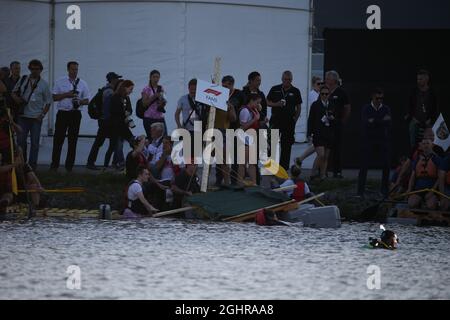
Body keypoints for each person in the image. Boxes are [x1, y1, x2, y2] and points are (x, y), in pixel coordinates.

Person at [11, 59, 51, 171]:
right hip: (23, 117)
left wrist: (42, 115)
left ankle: (32, 167)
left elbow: (48, 102)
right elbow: (13, 92)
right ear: (29, 68)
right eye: (32, 68)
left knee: (35, 144)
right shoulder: (23, 79)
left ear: (41, 70)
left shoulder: (44, 84)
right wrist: (17, 99)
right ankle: (22, 165)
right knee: (21, 142)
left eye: (37, 69)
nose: (34, 71)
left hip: (35, 119)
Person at [50, 61, 90, 172]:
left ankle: (69, 167)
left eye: (76, 69)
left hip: (75, 114)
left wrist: (80, 101)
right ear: (68, 69)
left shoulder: (82, 83)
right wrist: (66, 94)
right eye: (72, 69)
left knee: (73, 141)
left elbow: (87, 100)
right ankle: (54, 165)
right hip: (63, 113)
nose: (74, 71)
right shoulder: (60, 81)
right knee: (58, 140)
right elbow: (54, 97)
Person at [357, 88, 392, 197]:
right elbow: (366, 122)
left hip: (382, 140)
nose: (379, 100)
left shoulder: (386, 108)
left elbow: (388, 122)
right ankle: (360, 191)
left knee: (386, 165)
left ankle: (384, 190)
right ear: (372, 97)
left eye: (381, 98)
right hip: (369, 140)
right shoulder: (366, 108)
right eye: (377, 98)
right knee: (364, 165)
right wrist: (381, 120)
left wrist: (374, 121)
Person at [267, 71, 302, 172]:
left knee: (286, 146)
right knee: (272, 144)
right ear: (282, 79)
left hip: (289, 123)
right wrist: (276, 104)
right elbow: (267, 102)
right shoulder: (275, 89)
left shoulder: (295, 91)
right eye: (285, 79)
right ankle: (271, 167)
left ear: (292, 80)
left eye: (289, 79)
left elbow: (299, 107)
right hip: (275, 121)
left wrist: (295, 119)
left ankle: (283, 169)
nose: (287, 81)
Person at [86, 72, 122, 170]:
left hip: (105, 121)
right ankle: (92, 163)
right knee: (101, 142)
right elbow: (108, 107)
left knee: (105, 142)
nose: (118, 80)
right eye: (116, 78)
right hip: (106, 122)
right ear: (113, 80)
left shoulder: (107, 90)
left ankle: (95, 162)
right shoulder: (109, 91)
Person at [306, 85, 336, 181]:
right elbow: (310, 120)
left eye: (326, 94)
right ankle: (313, 173)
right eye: (322, 93)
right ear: (320, 94)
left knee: (326, 156)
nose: (324, 95)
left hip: (328, 133)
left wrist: (332, 119)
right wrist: (309, 133)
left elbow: (335, 118)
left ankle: (323, 175)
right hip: (318, 133)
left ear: (329, 94)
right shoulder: (315, 105)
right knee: (321, 154)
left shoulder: (331, 104)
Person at [325, 70, 351, 178]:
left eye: (328, 79)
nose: (326, 80)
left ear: (334, 80)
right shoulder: (325, 91)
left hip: (337, 124)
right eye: (326, 79)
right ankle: (323, 171)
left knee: (337, 148)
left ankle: (337, 171)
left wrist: (342, 120)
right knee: (325, 149)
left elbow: (347, 108)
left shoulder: (341, 92)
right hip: (325, 125)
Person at [104, 79, 135, 169]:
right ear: (125, 88)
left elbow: (129, 109)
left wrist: (127, 113)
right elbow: (113, 111)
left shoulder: (126, 98)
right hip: (115, 126)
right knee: (114, 146)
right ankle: (108, 165)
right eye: (130, 89)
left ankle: (119, 163)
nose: (131, 91)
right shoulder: (115, 97)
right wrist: (123, 113)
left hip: (123, 126)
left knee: (131, 141)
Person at [407, 69, 438, 149]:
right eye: (418, 79)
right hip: (416, 120)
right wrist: (412, 117)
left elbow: (435, 108)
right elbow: (410, 106)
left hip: (428, 121)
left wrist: (430, 119)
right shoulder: (414, 91)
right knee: (413, 142)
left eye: (420, 79)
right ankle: (414, 157)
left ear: (426, 79)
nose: (418, 81)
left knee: (430, 142)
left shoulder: (432, 92)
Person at [296, 76, 323, 168]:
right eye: (318, 84)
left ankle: (300, 158)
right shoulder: (312, 94)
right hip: (316, 122)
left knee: (317, 145)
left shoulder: (319, 94)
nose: (320, 85)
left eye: (321, 84)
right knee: (317, 145)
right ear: (313, 84)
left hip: (320, 122)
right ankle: (300, 159)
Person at [407, 138, 441, 210]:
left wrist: (432, 191)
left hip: (432, 190)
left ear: (432, 145)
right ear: (421, 146)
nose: (426, 145)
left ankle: (434, 204)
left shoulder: (437, 159)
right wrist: (409, 190)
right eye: (424, 144)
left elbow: (440, 178)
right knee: (411, 204)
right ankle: (420, 204)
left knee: (431, 206)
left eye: (428, 143)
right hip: (418, 190)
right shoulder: (417, 159)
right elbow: (412, 178)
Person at [238, 93, 261, 186]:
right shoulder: (245, 111)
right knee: (243, 163)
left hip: (252, 137)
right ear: (251, 101)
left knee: (252, 163)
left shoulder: (253, 110)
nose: (258, 105)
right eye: (257, 102)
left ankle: (254, 183)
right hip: (244, 138)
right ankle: (239, 183)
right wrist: (255, 119)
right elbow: (243, 127)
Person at [141, 70, 167, 138]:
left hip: (159, 117)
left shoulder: (160, 88)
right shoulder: (146, 89)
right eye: (154, 77)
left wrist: (163, 102)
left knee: (164, 138)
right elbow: (144, 104)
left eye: (157, 77)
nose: (156, 79)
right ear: (150, 77)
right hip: (149, 118)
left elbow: (163, 102)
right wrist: (154, 96)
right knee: (152, 138)